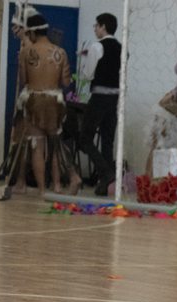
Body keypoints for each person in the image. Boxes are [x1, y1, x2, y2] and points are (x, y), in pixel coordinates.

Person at [15, 14, 82, 195]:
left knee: (37, 145)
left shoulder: (26, 52)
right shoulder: (61, 52)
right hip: (55, 101)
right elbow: (66, 82)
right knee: (56, 143)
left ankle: (43, 191)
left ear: (31, 33)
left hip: (35, 100)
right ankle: (66, 179)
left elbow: (24, 81)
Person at [79, 13, 121, 195]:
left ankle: (106, 172)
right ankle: (105, 184)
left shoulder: (96, 46)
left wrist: (85, 60)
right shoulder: (121, 48)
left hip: (99, 97)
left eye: (96, 26)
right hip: (115, 98)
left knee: (84, 138)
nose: (95, 29)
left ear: (103, 26)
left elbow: (88, 75)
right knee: (107, 141)